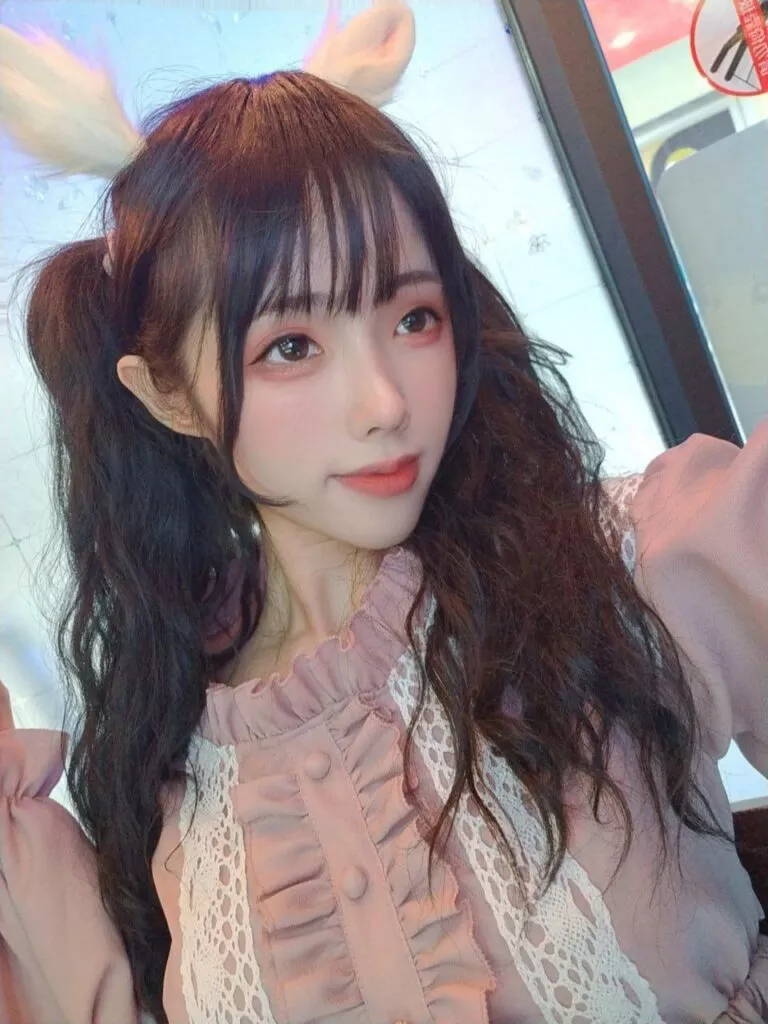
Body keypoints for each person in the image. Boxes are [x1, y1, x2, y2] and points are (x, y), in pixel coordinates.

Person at [0, 4, 767, 1022]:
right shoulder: (173, 748)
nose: (385, 403)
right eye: (291, 347)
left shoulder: (637, 564)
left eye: (413, 317)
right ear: (168, 394)